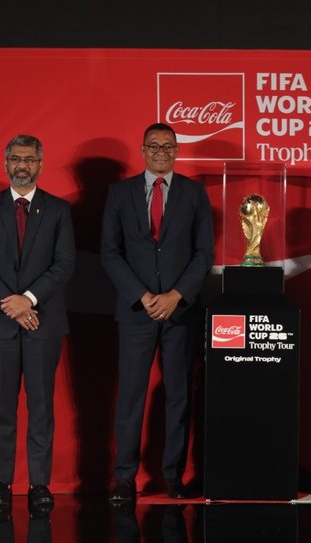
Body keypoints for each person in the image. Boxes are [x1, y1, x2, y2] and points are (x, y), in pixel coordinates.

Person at [101, 123, 214, 502]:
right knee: (131, 396)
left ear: (177, 151)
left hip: (180, 311)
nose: (161, 152)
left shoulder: (195, 194)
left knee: (179, 396)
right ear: (143, 150)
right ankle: (124, 477)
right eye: (154, 146)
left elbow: (203, 253)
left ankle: (172, 476)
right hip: (136, 311)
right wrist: (143, 295)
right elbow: (110, 253)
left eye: (168, 146)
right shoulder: (119, 193)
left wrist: (176, 295)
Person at [0, 134, 75, 512]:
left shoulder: (58, 210)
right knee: (2, 408)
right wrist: (11, 304)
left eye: (29, 159)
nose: (22, 165)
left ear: (40, 164)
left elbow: (64, 263)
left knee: (41, 406)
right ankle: (2, 482)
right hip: (1, 323)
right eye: (16, 158)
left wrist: (27, 299)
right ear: (6, 163)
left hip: (42, 322)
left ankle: (39, 484)